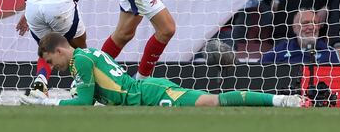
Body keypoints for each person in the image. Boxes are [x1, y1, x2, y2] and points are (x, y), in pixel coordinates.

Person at [29, 33, 308, 108]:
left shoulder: (81, 61)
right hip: (138, 99)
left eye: (51, 62)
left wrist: (49, 102)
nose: (54, 68)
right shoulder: (85, 56)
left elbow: (83, 102)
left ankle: (282, 100)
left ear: (59, 50)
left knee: (212, 101)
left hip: (149, 95)